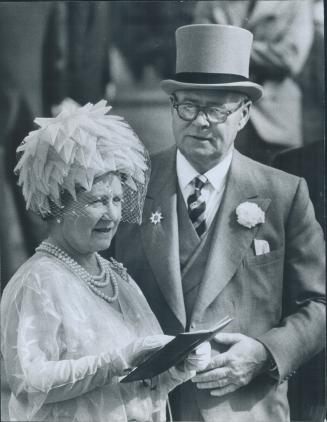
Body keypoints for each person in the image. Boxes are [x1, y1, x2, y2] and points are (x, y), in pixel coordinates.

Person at [114, 24, 325, 422]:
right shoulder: (132, 186)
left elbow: (319, 303)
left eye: (216, 109)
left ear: (243, 114)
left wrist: (265, 353)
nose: (200, 122)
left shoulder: (284, 193)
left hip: (245, 407)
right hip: (146, 408)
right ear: (172, 106)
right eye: (188, 106)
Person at [0, 100, 211, 422]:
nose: (112, 215)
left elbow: (135, 387)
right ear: (59, 206)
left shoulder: (115, 275)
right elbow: (28, 382)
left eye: (116, 199)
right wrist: (117, 360)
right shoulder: (39, 281)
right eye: (97, 201)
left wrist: (175, 368)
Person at [193, 0, 314, 165]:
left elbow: (290, 58)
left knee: (280, 186)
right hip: (220, 115)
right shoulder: (211, 3)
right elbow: (202, 46)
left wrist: (227, 45)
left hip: (276, 122)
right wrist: (264, 51)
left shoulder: (296, 3)